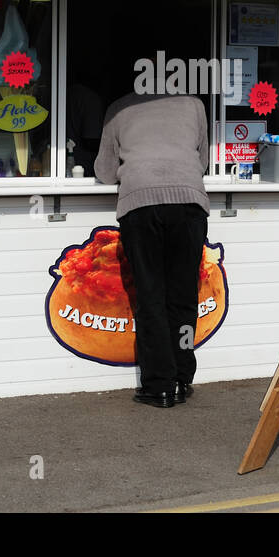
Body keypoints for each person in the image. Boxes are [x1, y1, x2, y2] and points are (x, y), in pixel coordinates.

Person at [94, 92, 209, 409]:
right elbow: (204, 161)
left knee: (151, 298)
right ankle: (183, 379)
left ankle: (159, 386)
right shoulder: (194, 104)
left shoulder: (119, 107)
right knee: (184, 298)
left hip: (141, 206)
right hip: (189, 204)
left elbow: (104, 171)